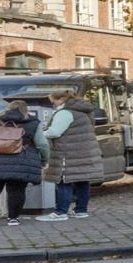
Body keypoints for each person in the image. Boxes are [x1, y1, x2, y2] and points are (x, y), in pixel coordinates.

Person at [0, 99, 49, 227]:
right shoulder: (33, 123)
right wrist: (44, 160)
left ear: (7, 108)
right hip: (21, 161)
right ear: (26, 110)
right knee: (17, 190)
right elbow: (42, 144)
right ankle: (13, 218)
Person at [36, 90, 105, 221]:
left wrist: (40, 134)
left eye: (54, 101)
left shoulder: (65, 113)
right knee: (82, 181)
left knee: (63, 181)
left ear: (61, 99)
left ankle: (60, 212)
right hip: (84, 152)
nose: (53, 104)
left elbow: (55, 132)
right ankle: (81, 210)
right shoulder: (83, 111)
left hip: (67, 152)